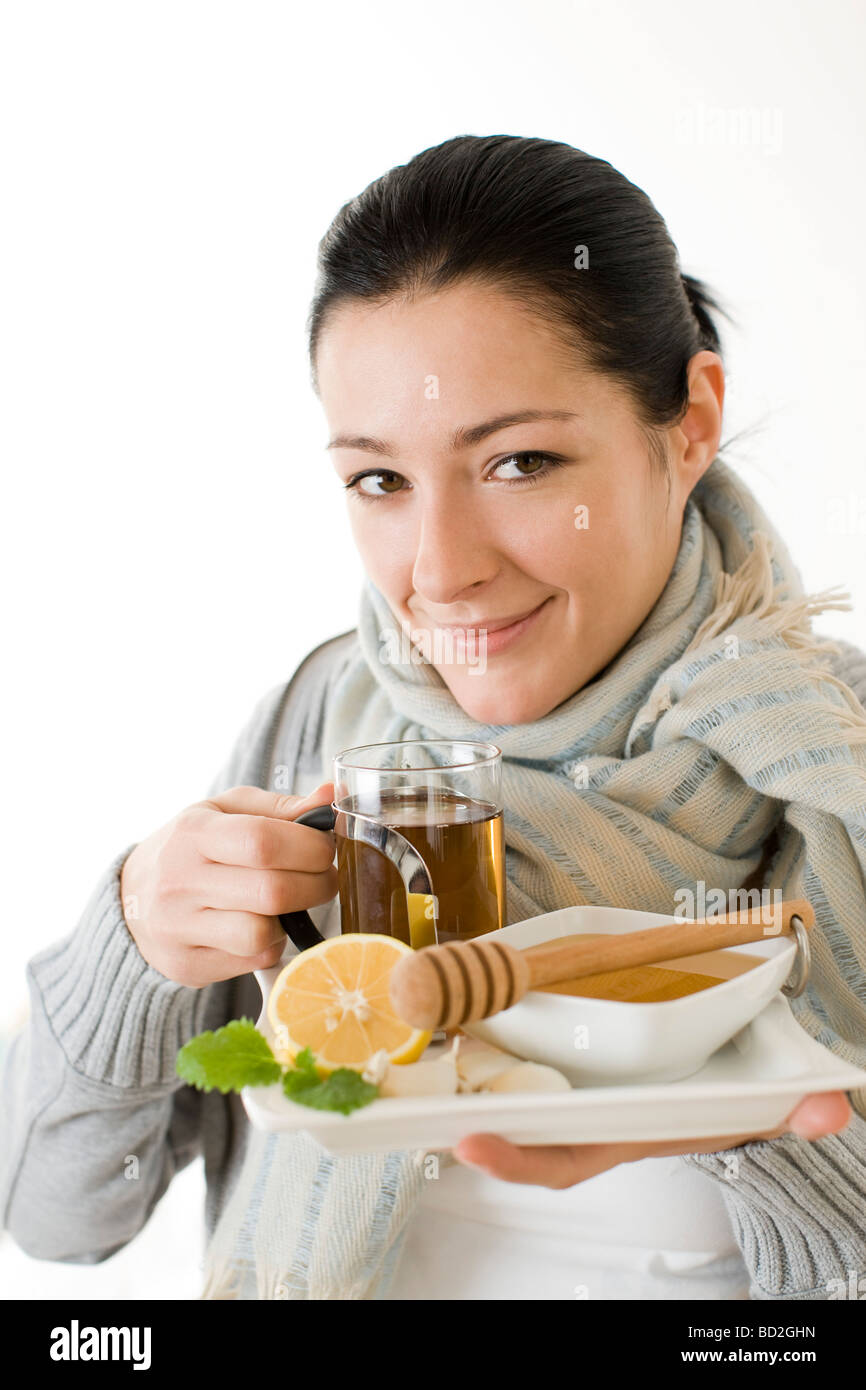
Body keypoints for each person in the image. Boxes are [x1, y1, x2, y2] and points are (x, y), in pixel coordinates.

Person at [3, 134, 866, 1301]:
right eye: (379, 481)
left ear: (690, 419)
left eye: (517, 462)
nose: (438, 573)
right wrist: (133, 944)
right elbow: (55, 1225)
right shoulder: (321, 725)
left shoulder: (833, 764)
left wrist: (744, 1125)